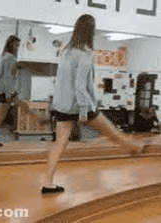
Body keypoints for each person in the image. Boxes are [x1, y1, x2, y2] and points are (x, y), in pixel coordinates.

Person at [41, 14, 144, 194]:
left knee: (59, 144)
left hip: (63, 105)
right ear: (91, 31)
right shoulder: (86, 53)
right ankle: (134, 147)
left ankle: (47, 182)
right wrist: (83, 111)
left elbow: (63, 81)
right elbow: (80, 85)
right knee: (109, 130)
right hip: (81, 104)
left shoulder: (65, 51)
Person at [0, 35, 21, 147]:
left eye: (18, 45)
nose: (17, 47)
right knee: (0, 117)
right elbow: (8, 77)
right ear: (10, 44)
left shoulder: (2, 57)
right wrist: (8, 93)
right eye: (16, 45)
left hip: (0, 90)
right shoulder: (10, 58)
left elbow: (2, 76)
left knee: (0, 116)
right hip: (5, 91)